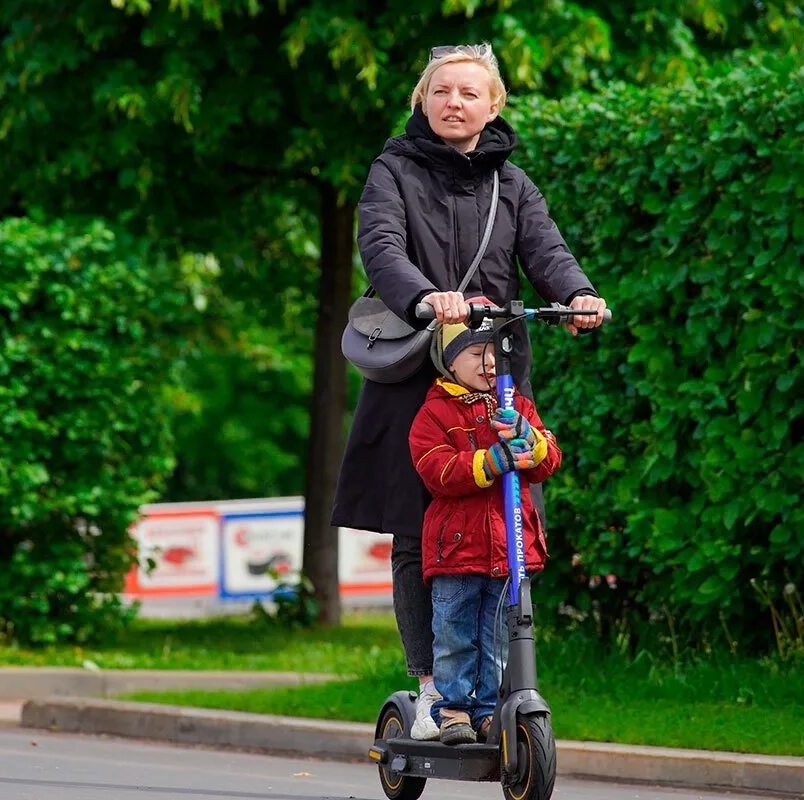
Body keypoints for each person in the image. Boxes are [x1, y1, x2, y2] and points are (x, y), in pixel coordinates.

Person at [330, 43, 607, 741]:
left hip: (494, 371)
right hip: (414, 368)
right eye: (442, 91)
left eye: (469, 92)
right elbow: (382, 245)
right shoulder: (392, 169)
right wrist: (426, 297)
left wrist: (575, 293)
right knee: (416, 529)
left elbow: (545, 249)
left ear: (493, 106)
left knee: (505, 524)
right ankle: (431, 691)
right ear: (422, 100)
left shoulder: (512, 183)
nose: (455, 102)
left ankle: (500, 684)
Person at [409, 305, 561, 743]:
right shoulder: (434, 415)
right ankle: (453, 710)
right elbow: (436, 470)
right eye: (476, 352)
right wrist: (492, 460)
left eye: (495, 351)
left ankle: (486, 710)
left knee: (496, 640)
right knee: (454, 634)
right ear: (448, 360)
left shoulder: (517, 406)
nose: (489, 362)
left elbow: (548, 459)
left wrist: (526, 437)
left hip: (508, 548)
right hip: (457, 551)